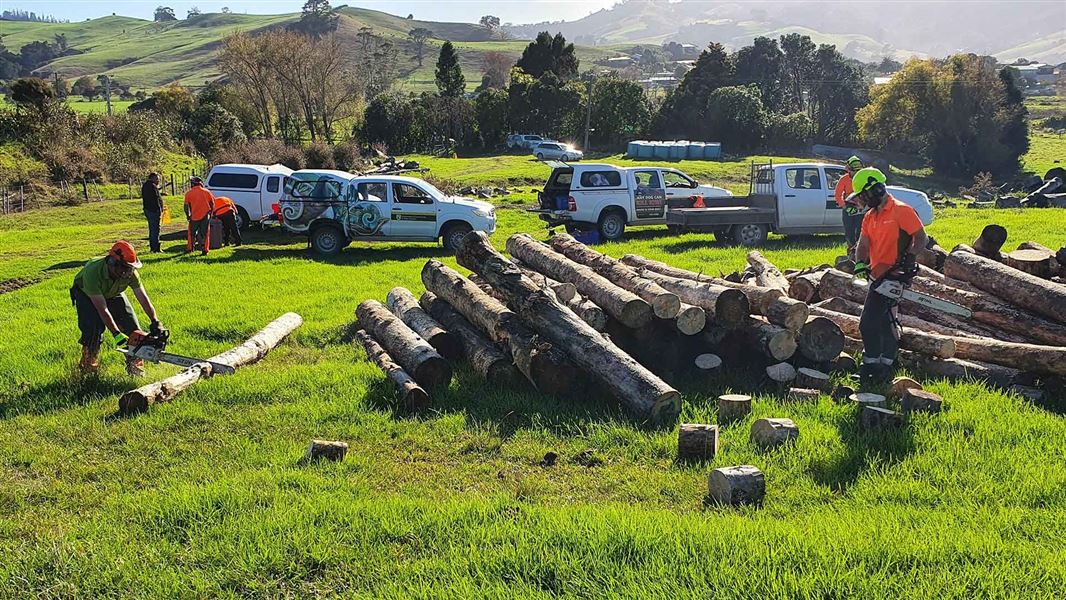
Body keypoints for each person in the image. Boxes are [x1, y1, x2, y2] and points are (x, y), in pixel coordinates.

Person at [851, 167, 928, 385]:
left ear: (876, 189)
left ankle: (873, 365)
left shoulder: (902, 211)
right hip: (878, 274)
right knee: (885, 320)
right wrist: (860, 263)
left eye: (865, 195)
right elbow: (863, 243)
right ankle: (886, 364)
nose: (863, 199)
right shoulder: (870, 216)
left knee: (868, 322)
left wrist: (910, 257)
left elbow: (921, 237)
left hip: (895, 274)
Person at [71, 241, 160, 377]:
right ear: (112, 263)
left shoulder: (130, 273)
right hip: (87, 295)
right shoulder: (93, 272)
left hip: (113, 292)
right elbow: (102, 309)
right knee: (93, 329)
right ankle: (88, 367)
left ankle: (135, 367)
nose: (128, 272)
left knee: (132, 327)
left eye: (130, 268)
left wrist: (155, 321)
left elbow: (143, 298)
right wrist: (116, 334)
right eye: (125, 268)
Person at [835, 156, 864, 258]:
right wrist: (844, 206)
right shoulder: (844, 179)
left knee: (860, 231)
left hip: (861, 207)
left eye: (858, 171)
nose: (855, 174)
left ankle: (860, 252)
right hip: (848, 207)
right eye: (853, 171)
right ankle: (850, 251)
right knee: (849, 230)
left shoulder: (864, 179)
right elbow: (838, 195)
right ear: (849, 170)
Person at [184, 176, 215, 255]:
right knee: (205, 234)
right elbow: (212, 203)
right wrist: (211, 213)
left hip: (194, 217)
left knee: (192, 233)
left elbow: (186, 206)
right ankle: (205, 250)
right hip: (205, 216)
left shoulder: (188, 193)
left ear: (193, 184)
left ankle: (190, 248)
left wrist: (188, 215)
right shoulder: (207, 192)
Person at [141, 173, 163, 253]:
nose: (158, 181)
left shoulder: (145, 186)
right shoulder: (152, 186)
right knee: (155, 229)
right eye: (157, 179)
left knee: (152, 229)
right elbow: (156, 199)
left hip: (148, 209)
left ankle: (153, 246)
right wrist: (159, 209)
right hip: (153, 210)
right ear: (152, 178)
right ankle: (155, 247)